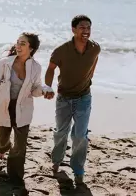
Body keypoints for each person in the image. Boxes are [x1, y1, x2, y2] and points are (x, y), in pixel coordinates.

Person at [0, 32, 45, 189]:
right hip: (3, 107)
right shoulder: (4, 64)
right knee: (3, 139)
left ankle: (15, 175)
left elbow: (35, 89)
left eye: (23, 43)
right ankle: (0, 148)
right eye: (18, 42)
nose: (18, 46)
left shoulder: (36, 67)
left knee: (20, 145)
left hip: (23, 109)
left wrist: (44, 90)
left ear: (31, 48)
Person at [44, 15, 101, 184]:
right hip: (64, 98)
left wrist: (88, 80)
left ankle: (78, 169)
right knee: (61, 132)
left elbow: (93, 65)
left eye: (88, 27)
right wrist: (47, 87)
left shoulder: (95, 48)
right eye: (82, 27)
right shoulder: (61, 50)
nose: (86, 30)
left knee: (80, 135)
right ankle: (56, 161)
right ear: (73, 29)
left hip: (84, 97)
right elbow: (50, 69)